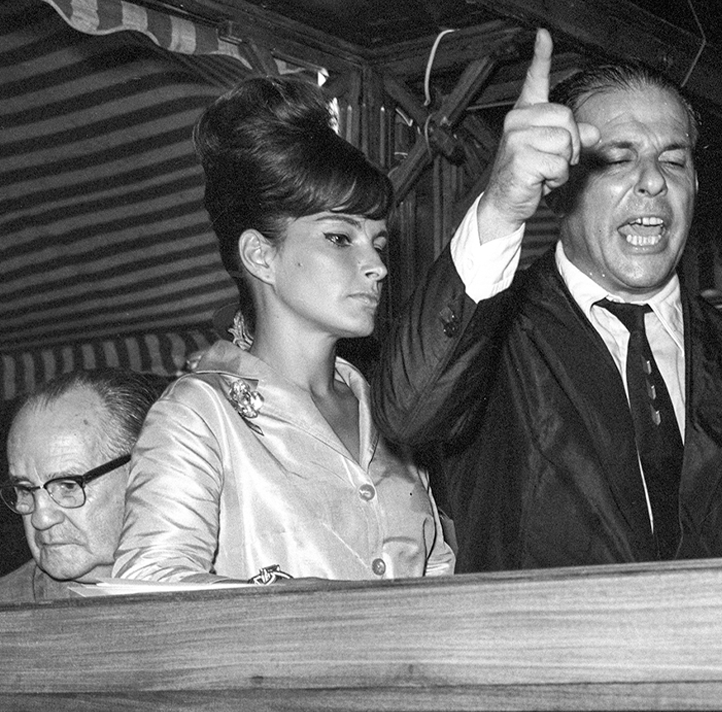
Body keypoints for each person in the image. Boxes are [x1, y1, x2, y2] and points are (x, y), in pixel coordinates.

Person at [374, 30, 722, 572]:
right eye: (617, 158)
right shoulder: (498, 331)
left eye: (673, 161)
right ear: (560, 183)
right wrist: (500, 205)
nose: (651, 182)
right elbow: (409, 413)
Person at [113, 76, 454, 584]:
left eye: (378, 244)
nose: (377, 266)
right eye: (340, 238)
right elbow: (148, 588)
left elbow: (438, 575)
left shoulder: (390, 408)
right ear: (260, 255)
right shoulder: (201, 413)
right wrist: (296, 608)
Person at [0, 369, 162, 603]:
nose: (41, 519)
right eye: (25, 489)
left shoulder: (222, 595)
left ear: (143, 475)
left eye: (67, 486)